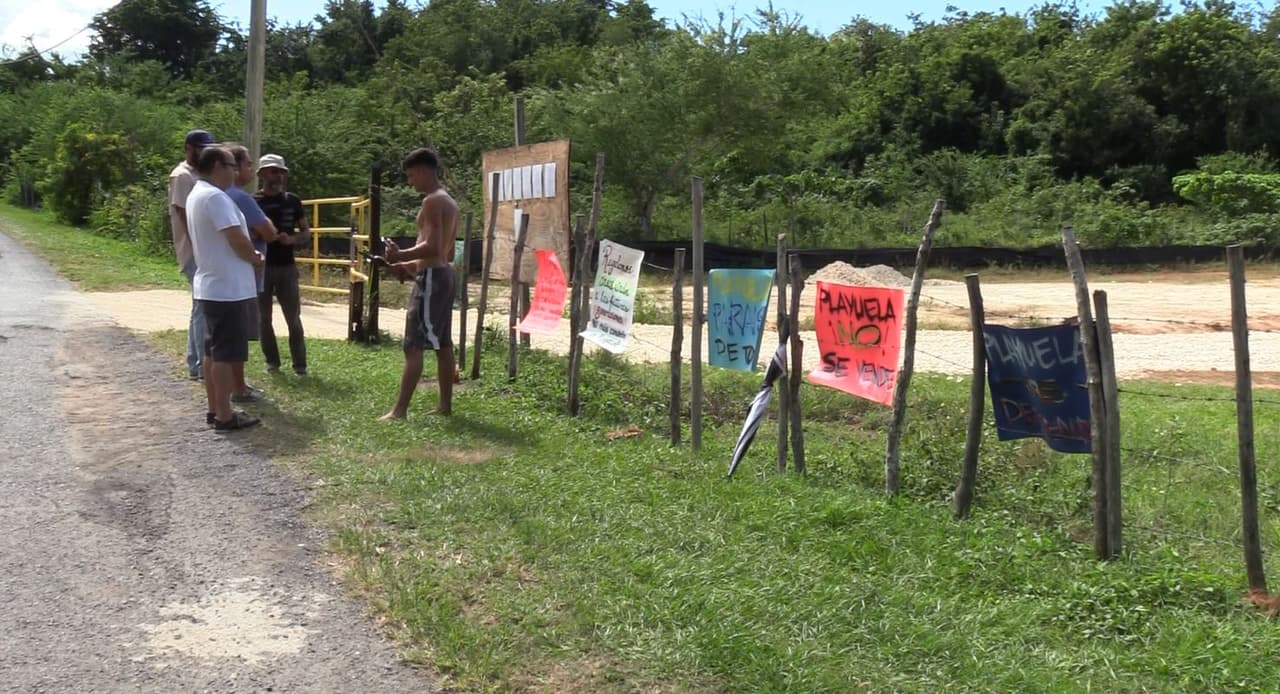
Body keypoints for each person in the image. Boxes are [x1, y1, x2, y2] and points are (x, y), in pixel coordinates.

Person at [186, 145, 265, 431]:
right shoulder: (215, 198)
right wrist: (255, 258)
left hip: (212, 285)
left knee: (212, 352)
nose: (235, 171)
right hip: (228, 289)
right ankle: (224, 415)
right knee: (224, 354)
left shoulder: (198, 194)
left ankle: (215, 409)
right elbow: (237, 239)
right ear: (218, 165)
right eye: (232, 165)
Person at [380, 147, 459, 419]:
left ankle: (399, 410)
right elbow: (445, 252)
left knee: (413, 345)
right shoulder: (449, 202)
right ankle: (445, 406)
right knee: (442, 343)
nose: (410, 182)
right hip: (442, 274)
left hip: (433, 278)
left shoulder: (432, 201)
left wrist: (401, 254)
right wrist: (410, 266)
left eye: (412, 176)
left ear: (425, 171)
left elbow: (434, 246)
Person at [223, 143, 278, 402]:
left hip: (224, 275)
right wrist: (262, 229)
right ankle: (238, 387)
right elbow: (269, 232)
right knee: (239, 334)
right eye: (247, 164)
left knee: (228, 334)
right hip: (244, 276)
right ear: (233, 168)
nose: (251, 170)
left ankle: (234, 385)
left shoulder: (214, 195)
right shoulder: (241, 198)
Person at [254, 153, 311, 376]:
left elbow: (306, 232)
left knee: (293, 318)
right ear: (261, 174)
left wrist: (293, 239)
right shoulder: (253, 201)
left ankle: (300, 365)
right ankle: (272, 363)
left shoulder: (292, 201)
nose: (277, 176)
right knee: (264, 318)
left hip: (287, 266)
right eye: (272, 171)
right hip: (262, 267)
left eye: (280, 171)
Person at [169, 129, 215, 380]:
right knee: (202, 308)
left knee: (200, 307)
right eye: (200, 147)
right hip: (194, 252)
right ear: (188, 147)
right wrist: (201, 246)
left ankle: (195, 362)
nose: (205, 152)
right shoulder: (182, 176)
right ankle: (199, 364)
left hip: (201, 251)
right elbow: (183, 214)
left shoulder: (199, 174)